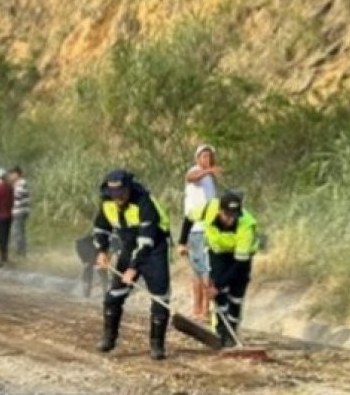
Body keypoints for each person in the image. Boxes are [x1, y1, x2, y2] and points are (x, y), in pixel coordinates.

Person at [92, 169, 172, 360]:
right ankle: (109, 338)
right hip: (129, 248)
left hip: (154, 249)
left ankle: (157, 346)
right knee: (114, 295)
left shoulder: (145, 203)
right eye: (113, 193)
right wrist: (102, 251)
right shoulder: (107, 203)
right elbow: (100, 228)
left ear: (129, 188)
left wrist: (133, 268)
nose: (117, 197)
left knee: (160, 298)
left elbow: (146, 242)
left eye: (121, 192)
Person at [181, 190, 259, 348]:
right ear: (220, 211)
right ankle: (221, 333)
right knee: (220, 298)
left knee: (235, 298)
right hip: (218, 254)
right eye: (227, 215)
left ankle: (231, 333)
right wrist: (183, 242)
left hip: (240, 260)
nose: (231, 219)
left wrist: (218, 286)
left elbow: (239, 264)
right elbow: (189, 218)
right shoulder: (209, 208)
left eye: (234, 216)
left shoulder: (246, 225)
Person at [178, 144, 221, 321]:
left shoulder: (209, 179)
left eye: (209, 156)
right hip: (195, 230)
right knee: (203, 271)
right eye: (203, 156)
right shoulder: (196, 171)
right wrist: (208, 170)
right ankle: (201, 310)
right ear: (197, 159)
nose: (207, 160)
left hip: (208, 230)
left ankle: (201, 310)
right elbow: (190, 177)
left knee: (202, 271)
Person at [11, 165, 31, 258]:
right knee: (19, 232)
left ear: (17, 174)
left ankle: (21, 252)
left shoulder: (21, 183)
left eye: (12, 174)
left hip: (19, 211)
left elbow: (17, 196)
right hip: (20, 210)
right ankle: (21, 251)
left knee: (18, 232)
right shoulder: (20, 183)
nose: (11, 176)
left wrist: (11, 190)